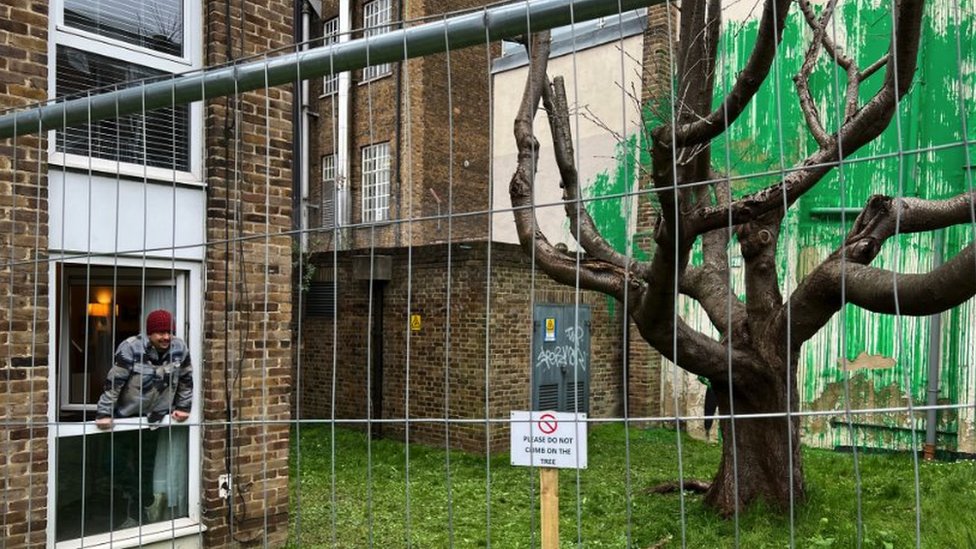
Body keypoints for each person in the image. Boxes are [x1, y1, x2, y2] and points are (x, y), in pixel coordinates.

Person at [94, 309, 193, 526]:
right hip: (125, 418)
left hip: (154, 419)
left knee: (145, 468)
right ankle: (133, 499)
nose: (166, 337)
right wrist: (104, 412)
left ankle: (139, 513)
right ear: (150, 333)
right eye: (160, 332)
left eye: (169, 332)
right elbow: (114, 382)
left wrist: (184, 407)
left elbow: (186, 379)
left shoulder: (179, 348)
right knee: (113, 464)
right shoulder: (130, 347)